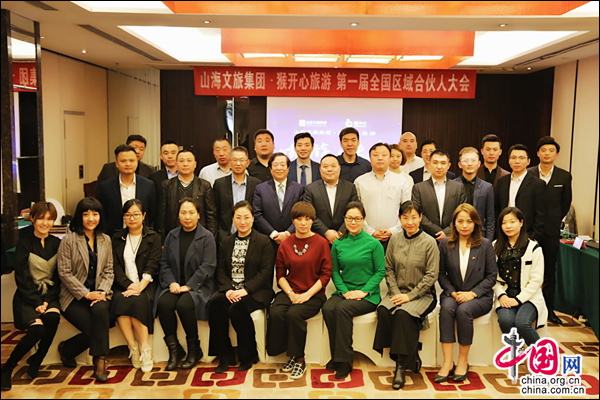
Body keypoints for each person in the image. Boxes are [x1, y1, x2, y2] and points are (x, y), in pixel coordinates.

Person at [374, 201, 439, 390]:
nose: (409, 222)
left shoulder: (429, 242)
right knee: (384, 311)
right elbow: (388, 269)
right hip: (397, 292)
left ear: (420, 218)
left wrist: (410, 296)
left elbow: (431, 275)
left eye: (413, 217)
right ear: (399, 219)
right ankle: (412, 352)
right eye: (405, 217)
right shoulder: (394, 240)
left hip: (423, 295)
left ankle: (401, 367)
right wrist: (396, 293)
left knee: (403, 314)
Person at [267, 202, 332, 380]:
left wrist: (306, 295)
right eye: (299, 219)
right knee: (276, 311)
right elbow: (280, 275)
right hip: (291, 290)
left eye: (307, 219)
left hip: (315, 294)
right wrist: (291, 294)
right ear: (293, 221)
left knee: (294, 314)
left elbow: (326, 275)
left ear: (312, 221)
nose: (303, 223)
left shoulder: (321, 243)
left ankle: (300, 359)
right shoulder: (286, 244)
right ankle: (288, 353)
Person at [208, 201, 274, 373]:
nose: (242, 221)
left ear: (253, 218)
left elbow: (265, 272)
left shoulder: (263, 242)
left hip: (256, 291)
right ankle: (225, 354)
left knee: (238, 308)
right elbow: (220, 270)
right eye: (238, 217)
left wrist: (245, 290)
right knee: (214, 304)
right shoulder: (225, 242)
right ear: (232, 219)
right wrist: (228, 289)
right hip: (231, 289)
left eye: (246, 217)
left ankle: (248, 355)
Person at [1, 202, 61, 391]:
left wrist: (47, 301)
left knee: (53, 317)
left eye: (49, 219)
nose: (45, 223)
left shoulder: (57, 243)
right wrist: (36, 302)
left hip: (50, 295)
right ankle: (7, 368)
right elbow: (22, 277)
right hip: (27, 296)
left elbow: (59, 277)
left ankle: (37, 359)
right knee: (37, 330)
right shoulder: (24, 244)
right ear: (32, 219)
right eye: (41, 218)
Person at [323, 202, 385, 379]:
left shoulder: (373, 244)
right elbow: (335, 271)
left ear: (363, 220)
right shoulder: (338, 244)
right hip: (345, 291)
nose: (353, 222)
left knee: (342, 309)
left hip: (368, 295)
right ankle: (337, 354)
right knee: (328, 308)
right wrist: (344, 292)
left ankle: (344, 360)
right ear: (344, 219)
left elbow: (380, 271)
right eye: (349, 218)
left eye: (357, 218)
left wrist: (363, 291)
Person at [436, 204, 497, 383]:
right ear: (454, 223)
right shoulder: (445, 244)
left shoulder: (485, 245)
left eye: (469, 221)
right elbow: (441, 274)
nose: (464, 225)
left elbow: (491, 276)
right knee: (446, 309)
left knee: (464, 311)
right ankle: (448, 362)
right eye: (460, 221)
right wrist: (453, 292)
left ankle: (463, 361)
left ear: (476, 223)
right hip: (453, 293)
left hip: (480, 297)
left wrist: (473, 293)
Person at [154, 198, 217, 371]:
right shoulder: (172, 235)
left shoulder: (206, 236)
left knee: (184, 304)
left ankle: (194, 350)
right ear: (178, 215)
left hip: (199, 285)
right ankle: (175, 350)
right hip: (175, 284)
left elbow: (208, 266)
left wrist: (189, 286)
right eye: (183, 213)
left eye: (191, 213)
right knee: (163, 303)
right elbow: (164, 263)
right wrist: (172, 282)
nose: (187, 217)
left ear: (198, 215)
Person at [56, 197, 114, 383]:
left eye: (95, 214)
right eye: (86, 214)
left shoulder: (106, 240)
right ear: (79, 217)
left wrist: (102, 292)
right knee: (97, 328)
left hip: (99, 294)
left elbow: (109, 270)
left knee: (102, 313)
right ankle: (68, 350)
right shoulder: (69, 240)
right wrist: (86, 294)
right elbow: (64, 273)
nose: (91, 218)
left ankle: (99, 360)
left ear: (100, 216)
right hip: (74, 297)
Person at [111, 199, 161, 373]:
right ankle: (133, 347)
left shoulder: (153, 237)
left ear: (144, 216)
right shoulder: (117, 238)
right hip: (123, 284)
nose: (132, 218)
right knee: (119, 300)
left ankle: (145, 348)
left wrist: (140, 286)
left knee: (138, 301)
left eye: (136, 214)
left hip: (147, 284)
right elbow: (115, 266)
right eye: (128, 215)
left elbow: (154, 264)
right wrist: (128, 285)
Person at [527, 136, 572, 325]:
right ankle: (527, 309)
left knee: (549, 272)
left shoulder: (564, 176)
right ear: (538, 153)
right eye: (543, 150)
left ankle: (548, 310)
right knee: (526, 269)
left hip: (551, 232)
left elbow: (565, 203)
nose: (547, 153)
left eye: (551, 150)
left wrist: (553, 220)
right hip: (530, 230)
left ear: (557, 154)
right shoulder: (529, 173)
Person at [493, 207, 547, 346]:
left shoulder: (534, 248)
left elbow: (536, 280)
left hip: (529, 296)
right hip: (505, 294)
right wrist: (501, 295)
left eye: (512, 221)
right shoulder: (494, 247)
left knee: (522, 323)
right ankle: (517, 351)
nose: (508, 226)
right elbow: (492, 276)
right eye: (504, 223)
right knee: (506, 321)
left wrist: (519, 299)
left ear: (521, 223)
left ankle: (541, 354)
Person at [355, 143, 411, 249]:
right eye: (375, 155)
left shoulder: (401, 181)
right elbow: (356, 211)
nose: (380, 158)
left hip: (396, 237)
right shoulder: (359, 181)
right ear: (370, 158)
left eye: (384, 155)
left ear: (389, 158)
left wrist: (393, 230)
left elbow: (407, 210)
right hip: (366, 237)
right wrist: (370, 231)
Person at [96, 144, 156, 237]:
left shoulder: (148, 185)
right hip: (114, 236)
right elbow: (103, 214)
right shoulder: (105, 187)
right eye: (123, 161)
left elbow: (152, 213)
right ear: (116, 164)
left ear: (137, 162)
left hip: (142, 236)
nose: (128, 164)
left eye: (131, 160)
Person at [157, 149, 218, 241]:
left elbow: (211, 215)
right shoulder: (166, 185)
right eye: (181, 161)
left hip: (199, 237)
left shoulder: (205, 185)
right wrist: (162, 240)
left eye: (189, 161)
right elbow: (161, 216)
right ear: (176, 165)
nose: (185, 164)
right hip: (173, 236)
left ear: (195, 164)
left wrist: (211, 239)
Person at [411, 150, 468, 242]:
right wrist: (438, 232)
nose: (439, 166)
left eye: (443, 163)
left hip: (452, 237)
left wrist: (447, 232)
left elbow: (461, 212)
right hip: (426, 238)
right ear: (429, 164)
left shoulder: (458, 187)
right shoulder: (418, 188)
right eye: (435, 163)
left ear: (448, 166)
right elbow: (417, 213)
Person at [253, 153, 305, 251]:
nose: (279, 168)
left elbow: (301, 214)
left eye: (282, 164)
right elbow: (257, 214)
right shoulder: (260, 189)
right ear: (270, 168)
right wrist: (273, 234)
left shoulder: (299, 189)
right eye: (275, 165)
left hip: (293, 239)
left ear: (288, 168)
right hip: (267, 240)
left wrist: (288, 233)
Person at [303, 154, 359, 245]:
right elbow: (309, 214)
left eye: (333, 166)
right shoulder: (310, 189)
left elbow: (355, 212)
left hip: (345, 239)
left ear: (339, 168)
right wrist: (326, 232)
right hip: (318, 239)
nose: (329, 169)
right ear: (320, 169)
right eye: (325, 166)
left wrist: (340, 233)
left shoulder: (350, 188)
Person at [495, 144, 545, 242]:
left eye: (521, 158)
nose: (517, 161)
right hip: (504, 234)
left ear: (528, 161)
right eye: (513, 158)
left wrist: (533, 237)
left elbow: (541, 214)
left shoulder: (537, 184)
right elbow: (497, 208)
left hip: (527, 235)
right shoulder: (501, 181)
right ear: (509, 160)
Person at [213, 146, 262, 243]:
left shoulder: (257, 184)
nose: (238, 163)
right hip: (225, 237)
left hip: (251, 237)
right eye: (234, 160)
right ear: (229, 162)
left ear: (247, 163)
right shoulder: (219, 184)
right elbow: (215, 212)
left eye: (242, 160)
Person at [455, 147, 495, 240]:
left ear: (479, 163)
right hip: (457, 235)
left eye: (473, 160)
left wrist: (488, 241)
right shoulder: (452, 185)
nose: (469, 164)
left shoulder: (487, 187)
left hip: (480, 235)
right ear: (459, 164)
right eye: (465, 161)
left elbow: (490, 219)